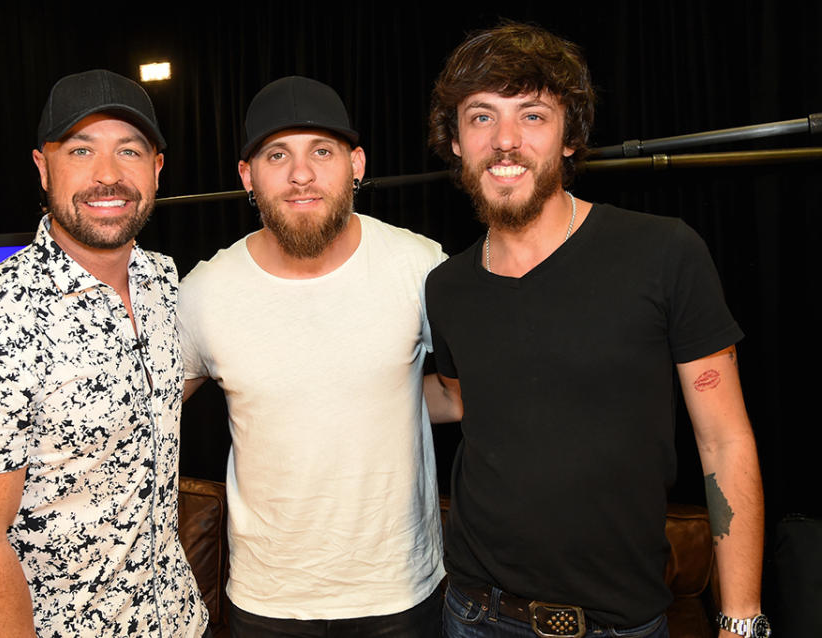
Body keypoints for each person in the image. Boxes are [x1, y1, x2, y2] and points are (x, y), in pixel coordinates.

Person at [425, 22, 769, 638]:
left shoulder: (663, 253)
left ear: (569, 138)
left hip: (620, 623)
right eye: (481, 117)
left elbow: (724, 441)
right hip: (474, 614)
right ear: (455, 141)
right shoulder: (447, 286)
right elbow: (458, 397)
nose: (505, 141)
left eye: (532, 115)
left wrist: (741, 619)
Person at [0, 69, 210, 638]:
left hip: (181, 619)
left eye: (129, 151)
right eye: (81, 150)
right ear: (41, 166)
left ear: (156, 169)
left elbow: (160, 392)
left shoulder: (164, 283)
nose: (108, 176)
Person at [178, 76, 453, 637]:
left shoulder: (419, 267)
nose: (300, 173)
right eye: (277, 155)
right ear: (246, 176)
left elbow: (454, 393)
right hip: (267, 600)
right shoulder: (204, 291)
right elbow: (150, 415)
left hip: (399, 592)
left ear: (356, 164)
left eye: (320, 152)